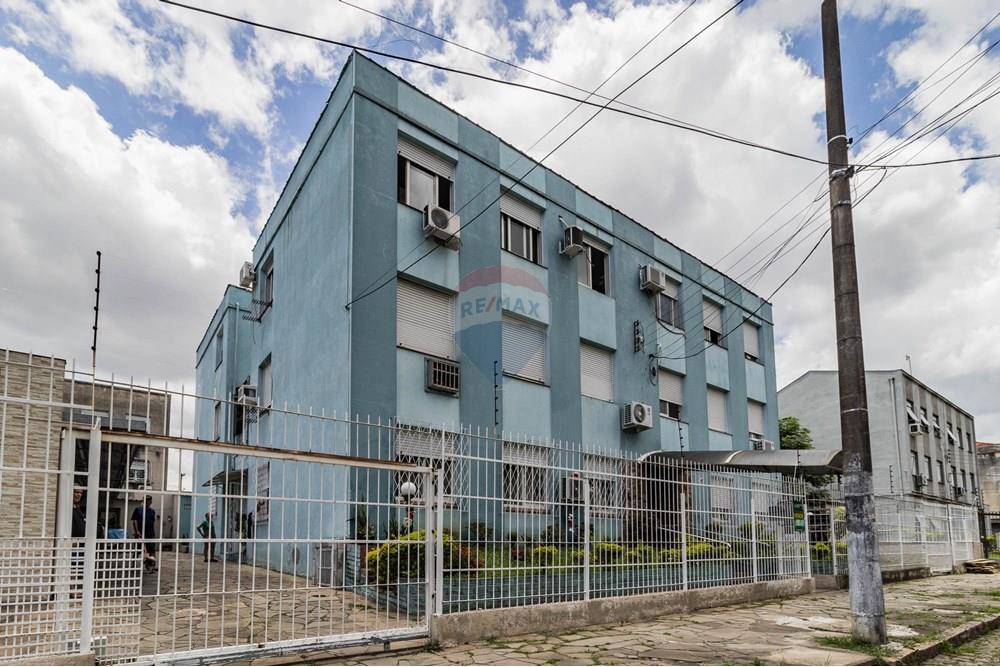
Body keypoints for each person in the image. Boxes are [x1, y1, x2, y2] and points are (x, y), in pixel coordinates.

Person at [130, 496, 158, 573]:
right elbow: (134, 521)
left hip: (150, 534)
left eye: (150, 501)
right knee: (137, 550)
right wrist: (137, 531)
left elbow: (152, 522)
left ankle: (152, 567)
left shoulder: (152, 511)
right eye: (147, 500)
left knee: (152, 550)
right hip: (140, 534)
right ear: (144, 501)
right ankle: (132, 565)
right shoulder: (138, 510)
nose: (149, 502)